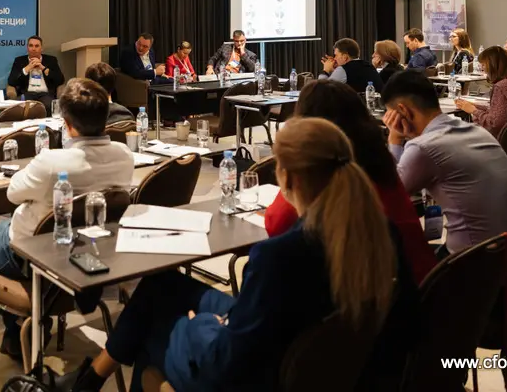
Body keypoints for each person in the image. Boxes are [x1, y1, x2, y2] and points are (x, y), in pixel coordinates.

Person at [56, 118, 419, 392]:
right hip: (318, 363)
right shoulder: (381, 232)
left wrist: (203, 325)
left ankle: (89, 381)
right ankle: (91, 379)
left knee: (157, 331)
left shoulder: (278, 257)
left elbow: (228, 364)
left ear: (287, 179)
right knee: (160, 284)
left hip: (258, 374)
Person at [0, 78, 133, 360]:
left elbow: (12, 194)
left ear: (67, 124)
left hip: (27, 247)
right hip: (88, 251)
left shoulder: (51, 162)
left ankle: (18, 319)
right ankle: (31, 311)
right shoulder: (124, 155)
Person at [263, 81, 436, 284]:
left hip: (380, 290)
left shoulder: (320, 171)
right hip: (423, 284)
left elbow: (277, 223)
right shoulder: (381, 160)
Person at [381, 71, 507, 281]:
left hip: (481, 273)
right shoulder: (478, 132)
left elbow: (390, 195)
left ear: (402, 111)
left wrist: (394, 139)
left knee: (393, 268)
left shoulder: (424, 147)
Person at [454, 46, 507, 138]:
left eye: (484, 65)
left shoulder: (501, 87)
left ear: (493, 66)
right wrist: (475, 106)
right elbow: (502, 110)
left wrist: (473, 111)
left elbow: (493, 124)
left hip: (505, 140)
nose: (482, 68)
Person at [6, 35, 64, 113]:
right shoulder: (19, 61)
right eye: (31, 46)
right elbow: (11, 81)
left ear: (41, 48)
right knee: (20, 107)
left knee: (49, 105)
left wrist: (43, 68)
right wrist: (27, 68)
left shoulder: (51, 60)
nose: (33, 49)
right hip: (27, 93)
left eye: (37, 46)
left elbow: (60, 80)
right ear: (27, 48)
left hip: (45, 94)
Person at [318, 38, 384, 92]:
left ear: (345, 57)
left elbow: (322, 91)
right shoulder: (369, 66)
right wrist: (334, 70)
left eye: (336, 55)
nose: (334, 59)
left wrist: (325, 71)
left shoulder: (343, 70)